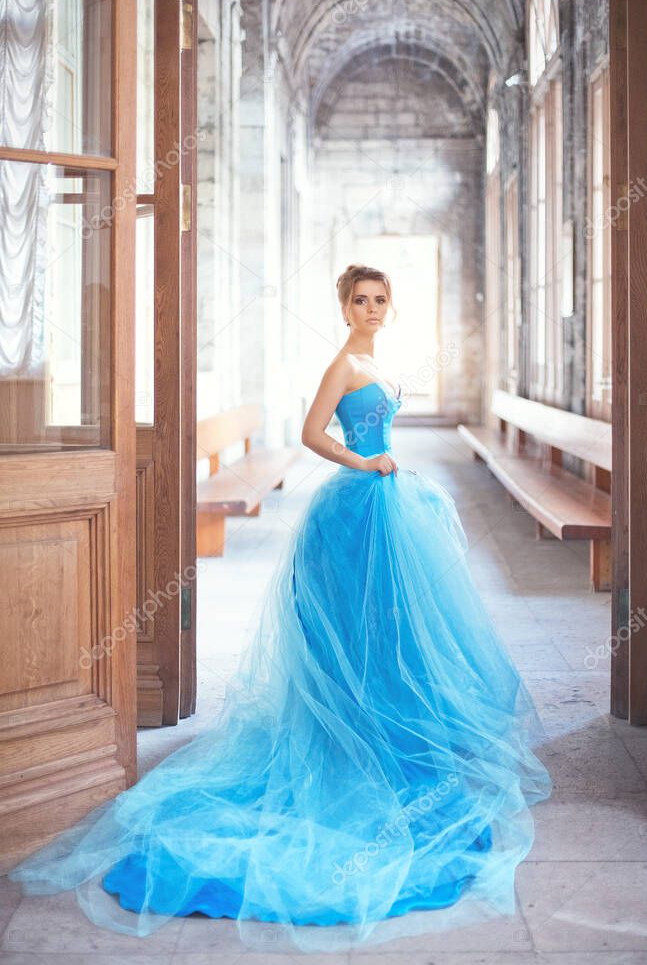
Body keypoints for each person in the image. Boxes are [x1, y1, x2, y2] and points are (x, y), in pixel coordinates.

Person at [8, 264, 553, 954]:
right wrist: (364, 466)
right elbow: (310, 433)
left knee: (386, 629)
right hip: (357, 503)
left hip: (390, 502)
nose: (372, 309)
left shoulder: (373, 358)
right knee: (350, 627)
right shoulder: (343, 362)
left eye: (381, 300)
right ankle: (347, 731)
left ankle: (381, 722)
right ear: (343, 306)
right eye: (361, 300)